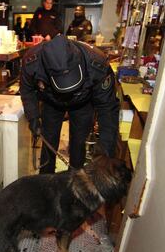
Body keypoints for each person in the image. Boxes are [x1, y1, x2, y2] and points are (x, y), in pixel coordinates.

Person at [20, 35, 119, 173]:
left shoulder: (97, 65)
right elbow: (27, 90)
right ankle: (45, 179)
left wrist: (106, 151)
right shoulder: (32, 61)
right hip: (51, 101)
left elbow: (107, 108)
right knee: (49, 141)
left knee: (78, 144)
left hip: (83, 103)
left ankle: (75, 178)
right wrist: (33, 117)